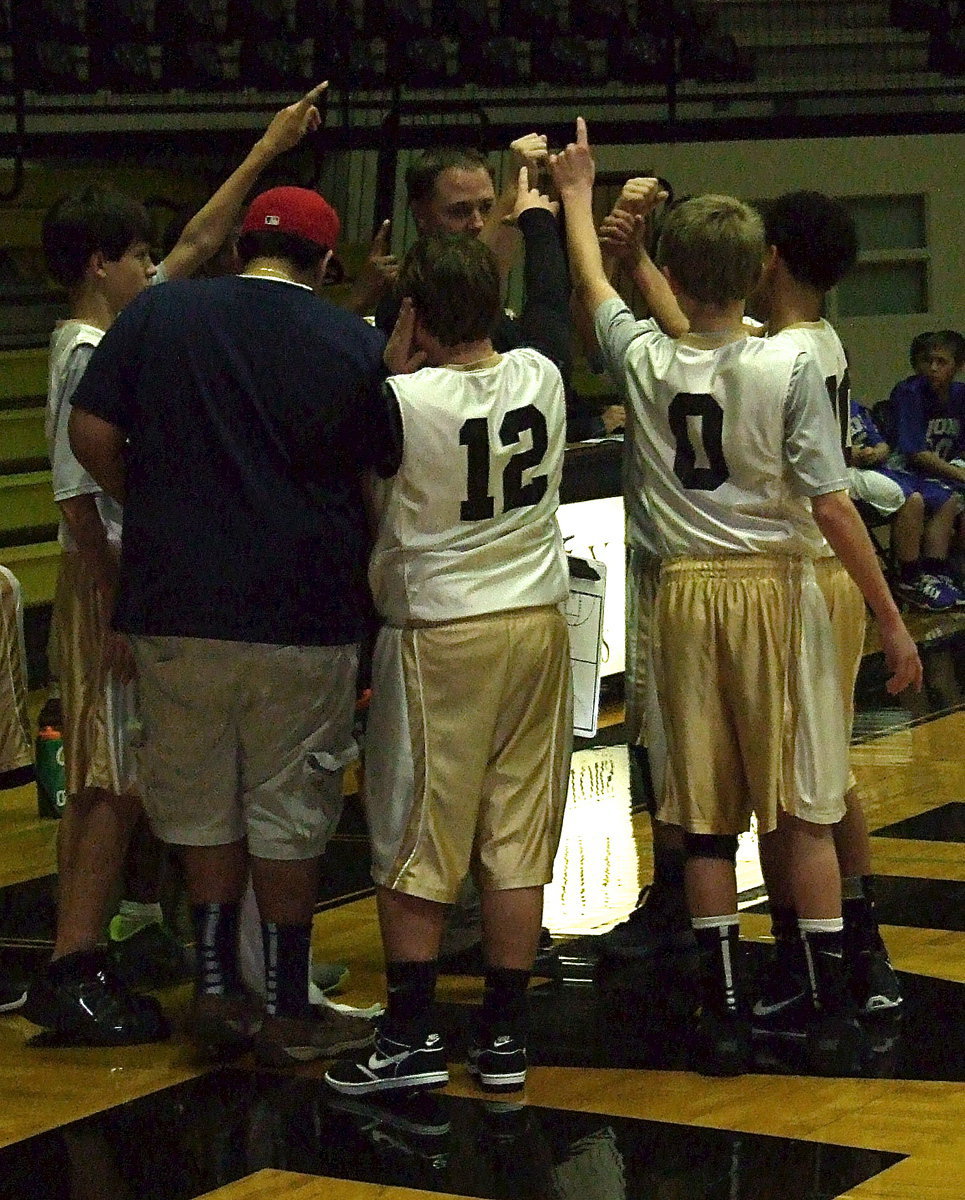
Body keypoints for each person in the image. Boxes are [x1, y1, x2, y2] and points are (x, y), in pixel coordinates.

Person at [550, 119, 922, 1077]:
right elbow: (826, 496)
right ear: (754, 265)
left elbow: (618, 300)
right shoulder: (784, 357)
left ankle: (736, 1004)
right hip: (780, 583)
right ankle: (832, 990)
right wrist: (892, 616)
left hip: (703, 592)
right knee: (804, 802)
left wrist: (581, 203)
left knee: (715, 815)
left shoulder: (668, 359)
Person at [23, 86, 332, 1048]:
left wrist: (267, 146)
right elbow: (78, 503)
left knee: (121, 780)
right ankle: (72, 963)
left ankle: (94, 953)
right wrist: (122, 601)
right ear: (97, 264)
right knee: (106, 781)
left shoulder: (112, 334)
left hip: (116, 575)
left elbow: (198, 244)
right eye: (136, 257)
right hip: (105, 578)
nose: (153, 268)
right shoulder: (85, 354)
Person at [68, 185, 392, 1067]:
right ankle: (286, 1009)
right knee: (289, 812)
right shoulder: (350, 342)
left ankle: (216, 989)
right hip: (302, 611)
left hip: (175, 604)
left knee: (201, 801)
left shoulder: (160, 312)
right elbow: (377, 481)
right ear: (326, 264)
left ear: (243, 245)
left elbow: (91, 432)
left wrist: (154, 504)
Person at [325, 207, 573, 1098]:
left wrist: (391, 362)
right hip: (537, 624)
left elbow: (350, 458)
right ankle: (504, 1037)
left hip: (439, 633)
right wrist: (541, 217)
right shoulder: (542, 374)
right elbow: (552, 304)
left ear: (413, 317)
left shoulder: (394, 402)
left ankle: (409, 1036)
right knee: (516, 835)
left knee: (414, 837)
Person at [849, 398, 963, 611]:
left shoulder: (854, 406)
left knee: (947, 497)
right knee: (912, 499)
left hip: (877, 467)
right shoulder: (817, 407)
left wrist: (878, 452)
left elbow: (881, 443)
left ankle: (935, 573)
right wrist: (851, 455)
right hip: (846, 473)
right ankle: (909, 578)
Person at [889, 330, 965, 586]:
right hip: (909, 472)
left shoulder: (960, 395)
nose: (933, 368)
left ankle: (951, 571)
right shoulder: (909, 392)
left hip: (947, 471)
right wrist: (960, 475)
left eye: (941, 362)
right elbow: (916, 454)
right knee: (947, 498)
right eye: (928, 360)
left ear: (958, 366)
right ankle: (928, 574)